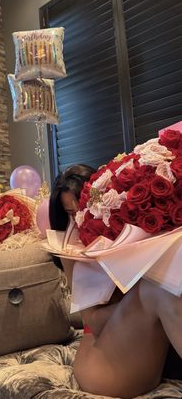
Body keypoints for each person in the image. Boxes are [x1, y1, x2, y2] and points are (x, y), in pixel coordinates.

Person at [49, 164, 182, 399]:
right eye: (69, 214)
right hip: (101, 361)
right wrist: (137, 290)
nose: (78, 221)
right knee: (156, 287)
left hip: (142, 350)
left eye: (82, 210)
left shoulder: (128, 228)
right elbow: (93, 323)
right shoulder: (71, 252)